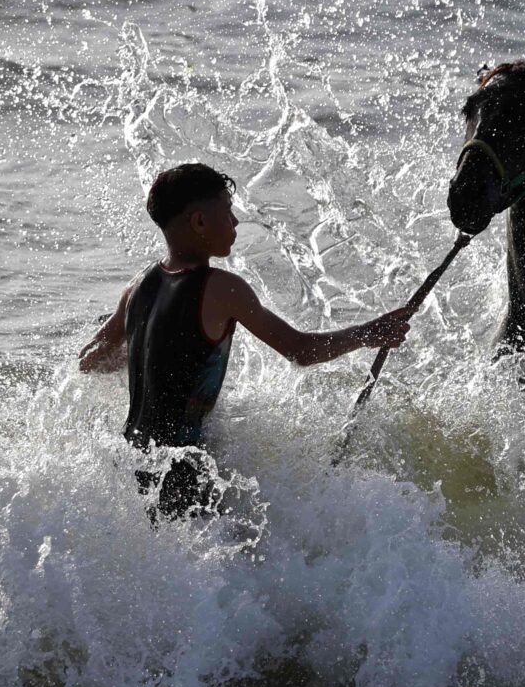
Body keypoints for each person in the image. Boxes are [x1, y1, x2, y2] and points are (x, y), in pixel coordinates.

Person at [79, 162, 415, 515]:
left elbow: (90, 360)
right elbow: (300, 350)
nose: (236, 222)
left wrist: (152, 357)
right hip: (185, 478)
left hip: (134, 468)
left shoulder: (137, 287)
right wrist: (367, 334)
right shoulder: (221, 288)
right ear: (199, 222)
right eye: (227, 211)